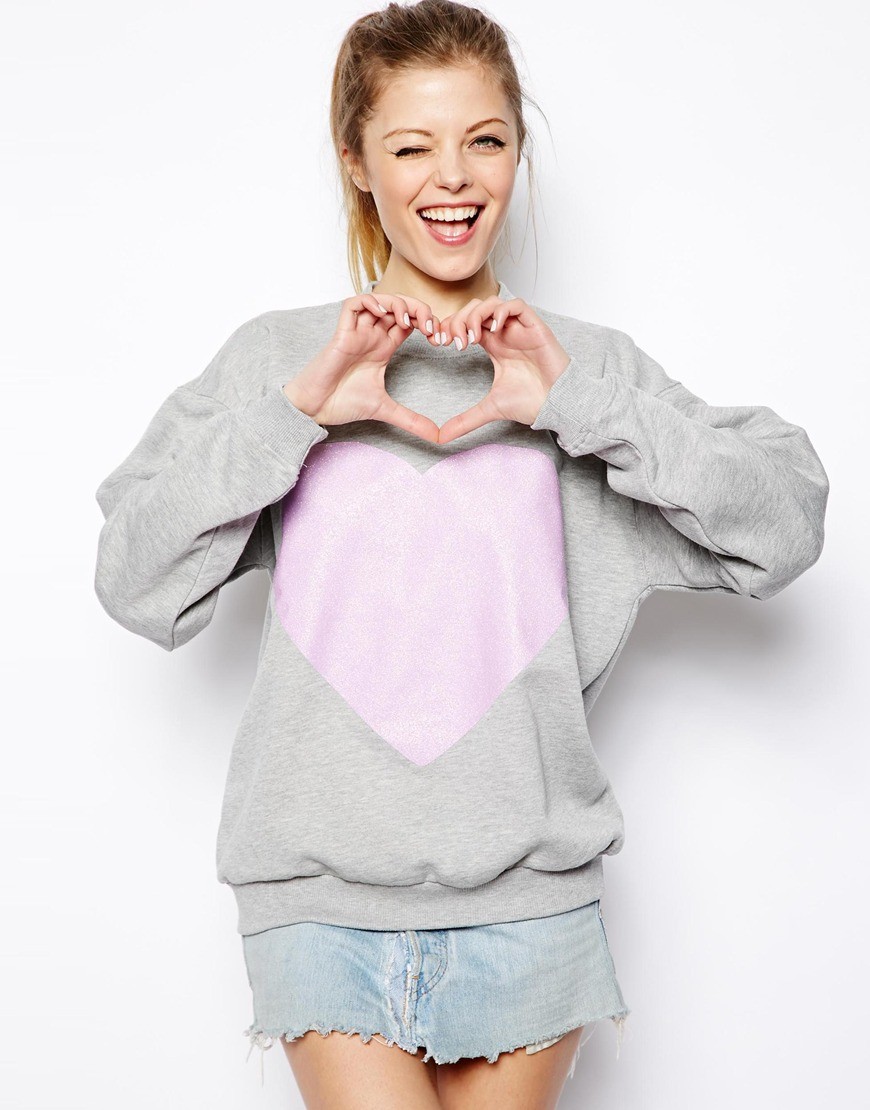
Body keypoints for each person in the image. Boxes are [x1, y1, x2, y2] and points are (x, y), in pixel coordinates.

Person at [92, 2, 830, 1107]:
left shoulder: (582, 368)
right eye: (411, 146)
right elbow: (133, 578)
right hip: (318, 902)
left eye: (485, 139)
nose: (454, 177)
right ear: (357, 164)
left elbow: (785, 526)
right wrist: (297, 415)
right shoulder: (283, 358)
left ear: (517, 151)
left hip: (534, 901)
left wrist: (583, 407)